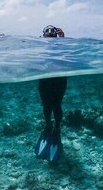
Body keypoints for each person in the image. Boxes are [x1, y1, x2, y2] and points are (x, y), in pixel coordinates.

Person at [34, 25, 67, 162]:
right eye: (47, 33)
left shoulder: (62, 46)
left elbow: (67, 56)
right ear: (43, 36)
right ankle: (48, 125)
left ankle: (57, 127)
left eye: (52, 33)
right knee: (46, 105)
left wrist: (63, 39)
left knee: (57, 105)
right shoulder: (39, 47)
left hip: (59, 80)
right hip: (45, 80)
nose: (49, 34)